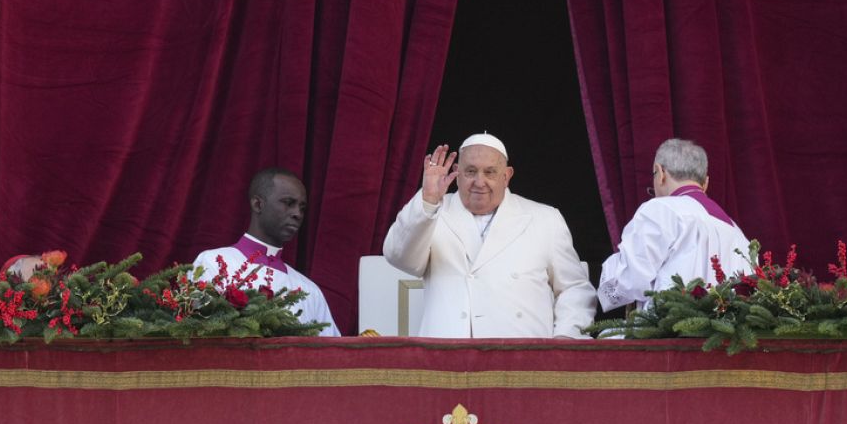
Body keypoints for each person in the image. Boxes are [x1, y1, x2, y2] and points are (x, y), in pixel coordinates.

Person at [383, 133, 596, 338]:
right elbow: (399, 257)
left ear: (507, 176)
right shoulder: (432, 210)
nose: (479, 181)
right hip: (447, 358)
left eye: (490, 172)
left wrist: (566, 337)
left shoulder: (544, 218)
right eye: (470, 171)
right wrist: (428, 199)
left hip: (522, 359)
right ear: (456, 172)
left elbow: (574, 288)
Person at [598, 138, 753, 311]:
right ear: (706, 183)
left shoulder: (660, 209)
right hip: (725, 336)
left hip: (667, 331)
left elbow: (629, 281)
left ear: (660, 173)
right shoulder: (736, 232)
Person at [192, 168, 340, 336]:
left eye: (302, 207)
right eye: (288, 203)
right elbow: (196, 334)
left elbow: (331, 357)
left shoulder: (309, 290)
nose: (297, 214)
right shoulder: (212, 263)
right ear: (258, 204)